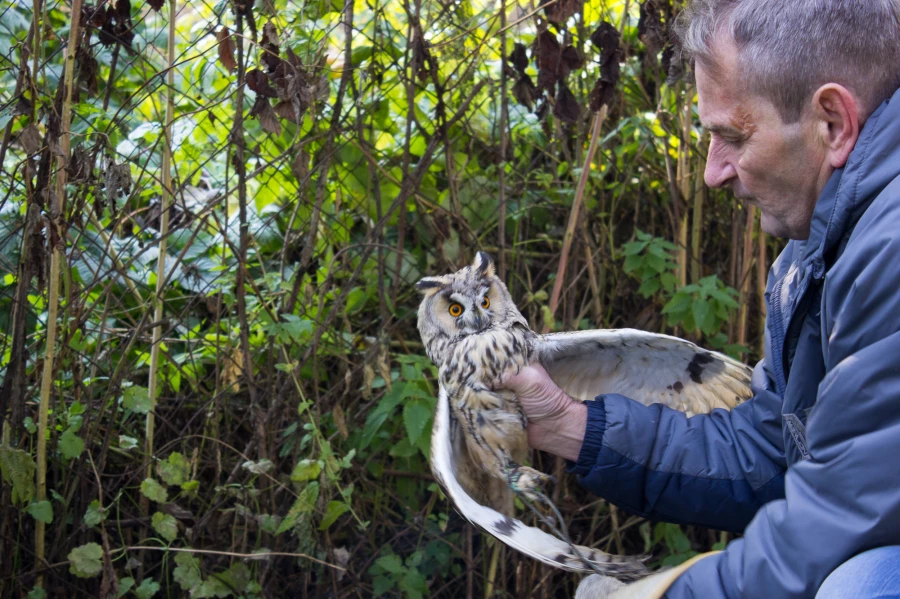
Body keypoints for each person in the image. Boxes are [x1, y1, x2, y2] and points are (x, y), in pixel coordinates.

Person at [500, 1, 900, 597]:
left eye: (733, 136)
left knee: (860, 582)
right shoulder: (819, 249)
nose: (714, 172)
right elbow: (773, 452)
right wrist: (567, 424)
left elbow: (842, 521)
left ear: (833, 124)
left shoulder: (889, 248)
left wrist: (658, 595)